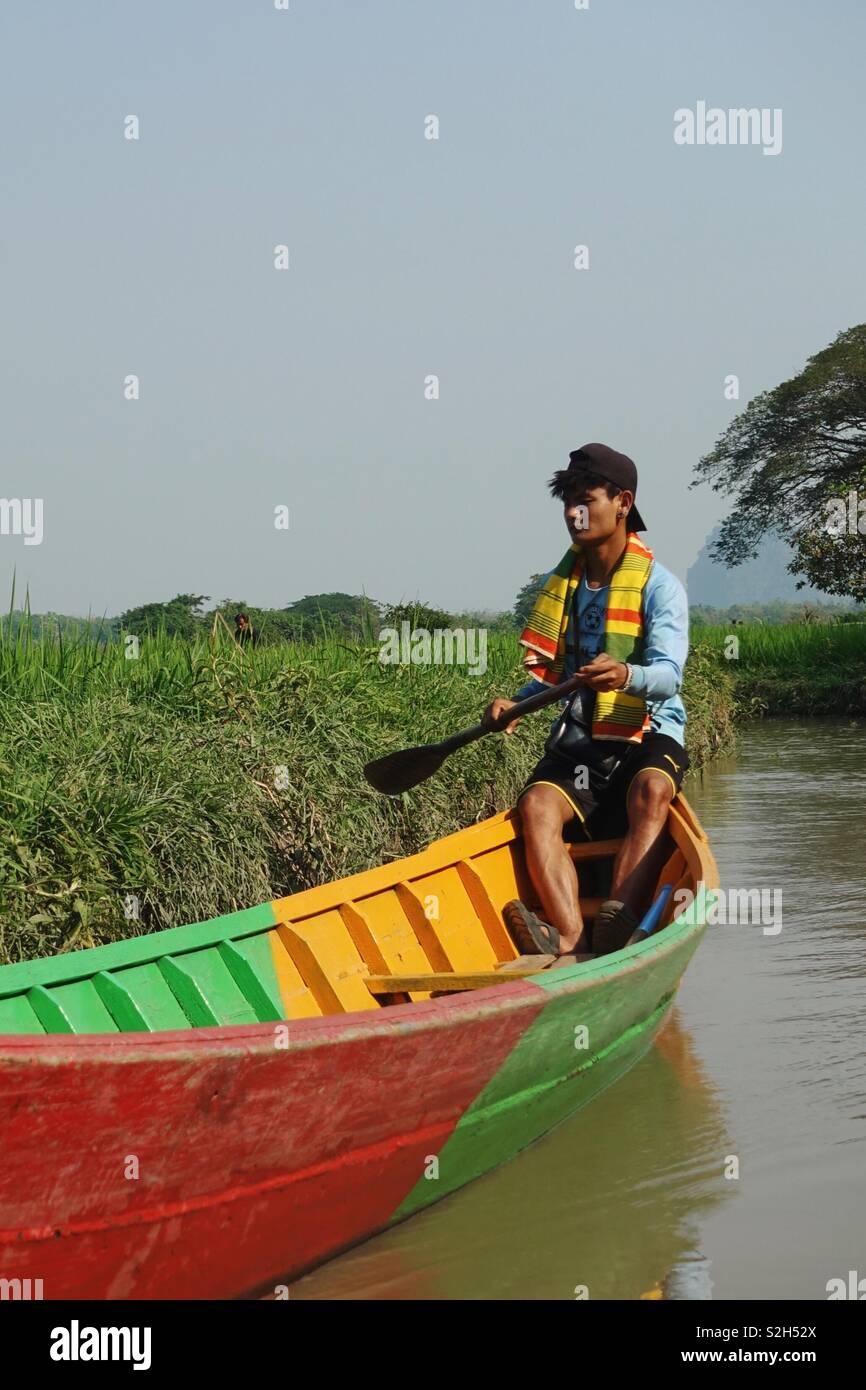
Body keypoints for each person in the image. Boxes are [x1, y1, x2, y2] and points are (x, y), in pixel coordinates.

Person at [482, 443, 689, 965]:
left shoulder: (659, 587)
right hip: (584, 737)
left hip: (646, 730)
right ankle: (572, 940)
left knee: (651, 789)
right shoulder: (568, 589)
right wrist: (517, 703)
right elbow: (562, 679)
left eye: (587, 499)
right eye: (568, 501)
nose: (575, 513)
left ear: (623, 503)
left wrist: (624, 673)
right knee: (536, 806)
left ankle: (616, 926)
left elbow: (667, 676)